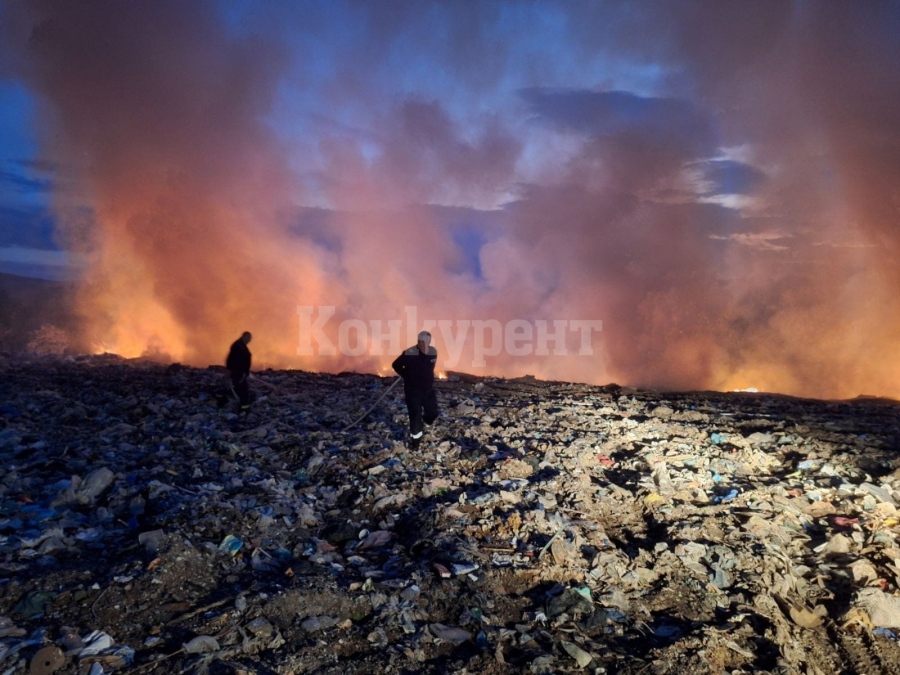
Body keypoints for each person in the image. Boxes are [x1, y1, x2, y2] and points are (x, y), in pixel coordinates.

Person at [392, 330, 439, 448]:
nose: (425, 345)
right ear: (418, 341)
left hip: (428, 390)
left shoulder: (433, 352)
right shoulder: (409, 353)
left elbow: (429, 367)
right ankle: (415, 442)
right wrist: (406, 374)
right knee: (415, 416)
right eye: (422, 342)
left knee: (433, 412)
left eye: (427, 342)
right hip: (413, 391)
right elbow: (396, 364)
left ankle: (426, 421)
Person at [225, 331, 252, 411]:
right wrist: (242, 373)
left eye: (250, 339)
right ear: (244, 337)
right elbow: (237, 361)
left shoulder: (240, 345)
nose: (249, 341)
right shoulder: (239, 346)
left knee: (240, 390)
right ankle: (244, 409)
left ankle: (241, 407)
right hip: (238, 373)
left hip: (238, 372)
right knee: (243, 390)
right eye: (248, 338)